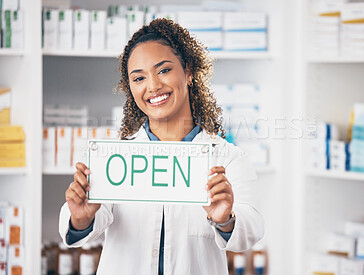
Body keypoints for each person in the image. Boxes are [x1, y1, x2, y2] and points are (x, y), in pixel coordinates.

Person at [59, 18, 264, 275]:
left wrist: (225, 220)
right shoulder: (115, 157)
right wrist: (81, 218)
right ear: (130, 88)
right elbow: (82, 228)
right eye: (139, 78)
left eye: (164, 70)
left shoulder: (227, 158)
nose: (153, 86)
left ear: (188, 72)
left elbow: (252, 229)